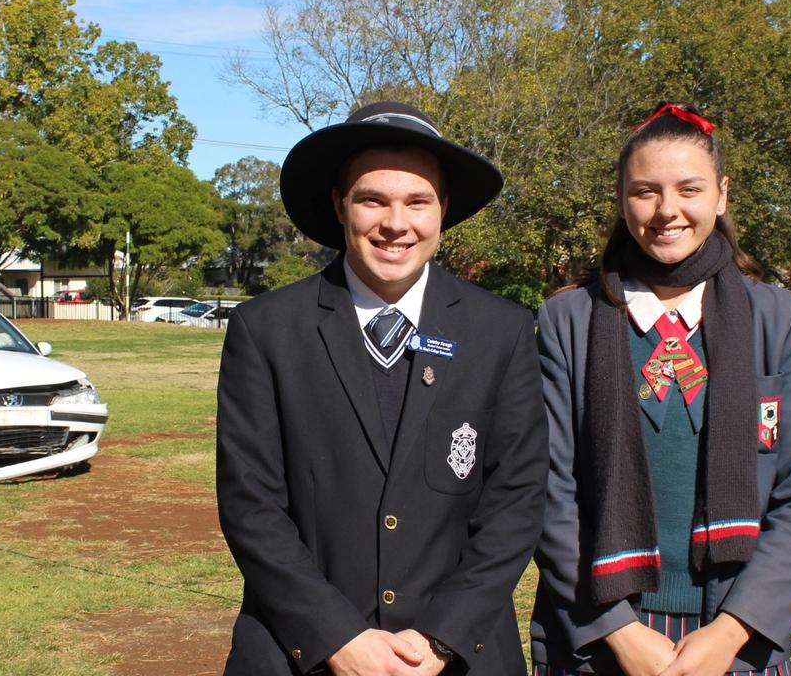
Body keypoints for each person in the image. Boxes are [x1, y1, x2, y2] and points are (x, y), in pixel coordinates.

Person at [216, 101, 548, 675]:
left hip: (454, 655)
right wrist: (338, 638)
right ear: (340, 205)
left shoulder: (503, 332)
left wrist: (439, 640)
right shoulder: (266, 330)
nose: (396, 223)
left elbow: (515, 503)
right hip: (302, 653)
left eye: (418, 201)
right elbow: (252, 506)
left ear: (443, 209)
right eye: (373, 200)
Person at [529, 102, 791, 676]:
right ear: (622, 199)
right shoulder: (568, 320)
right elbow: (548, 492)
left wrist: (730, 632)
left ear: (721, 195)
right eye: (646, 191)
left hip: (735, 632)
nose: (667, 211)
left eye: (688, 189)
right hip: (601, 632)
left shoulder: (779, 318)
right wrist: (620, 634)